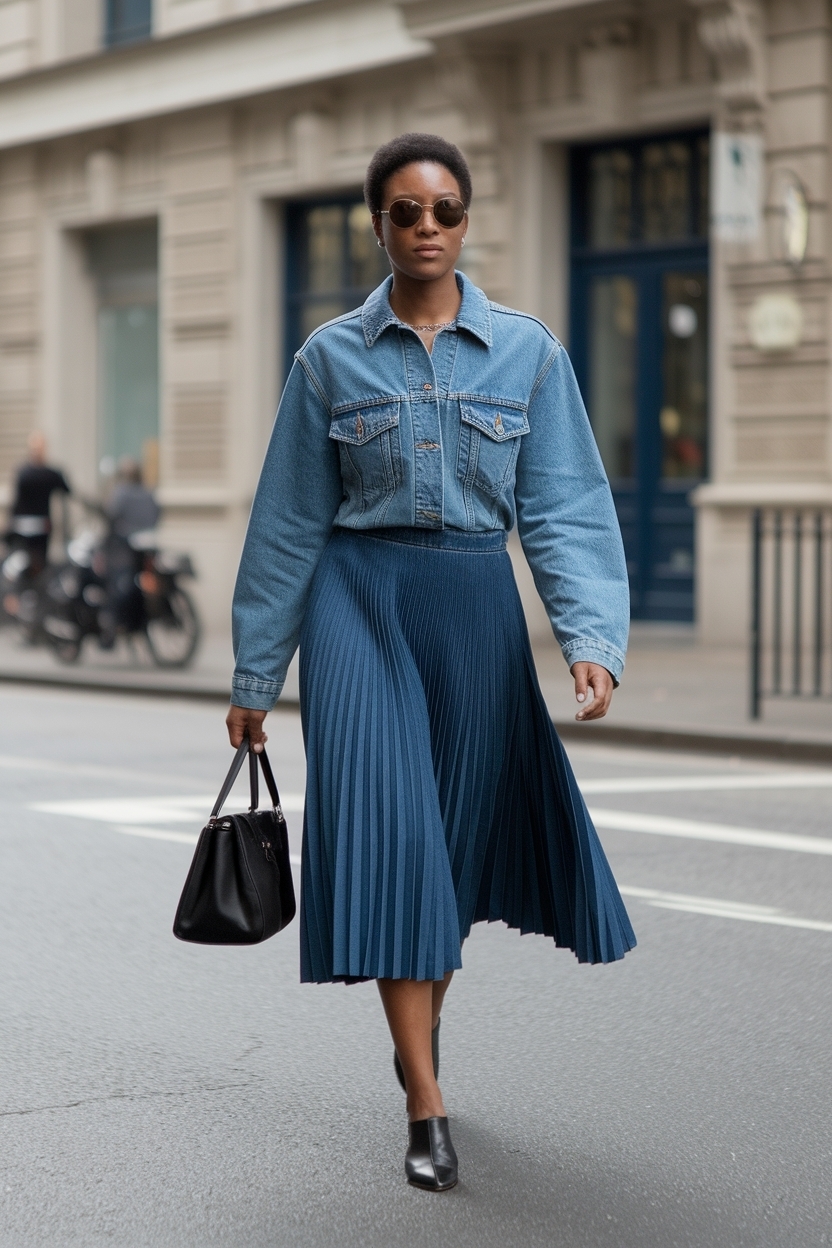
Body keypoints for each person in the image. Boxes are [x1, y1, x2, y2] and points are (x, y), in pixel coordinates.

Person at [227, 133, 636, 1192]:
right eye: (404, 211)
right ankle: (425, 1098)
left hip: (473, 609)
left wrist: (590, 642)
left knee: (448, 850)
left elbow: (565, 507)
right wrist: (255, 676)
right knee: (393, 836)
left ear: (466, 220)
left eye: (444, 209)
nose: (425, 227)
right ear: (378, 224)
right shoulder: (327, 359)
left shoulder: (528, 353)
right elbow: (287, 524)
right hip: (357, 606)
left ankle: (417, 1035)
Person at [99, 457, 160, 647]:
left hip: (125, 552)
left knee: (113, 584)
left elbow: (110, 515)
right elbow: (156, 516)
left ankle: (111, 629)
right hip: (146, 550)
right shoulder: (148, 494)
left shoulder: (121, 493)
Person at [7, 432, 70, 575]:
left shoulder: (32, 473)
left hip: (38, 524)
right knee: (25, 562)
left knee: (37, 563)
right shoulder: (39, 474)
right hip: (27, 524)